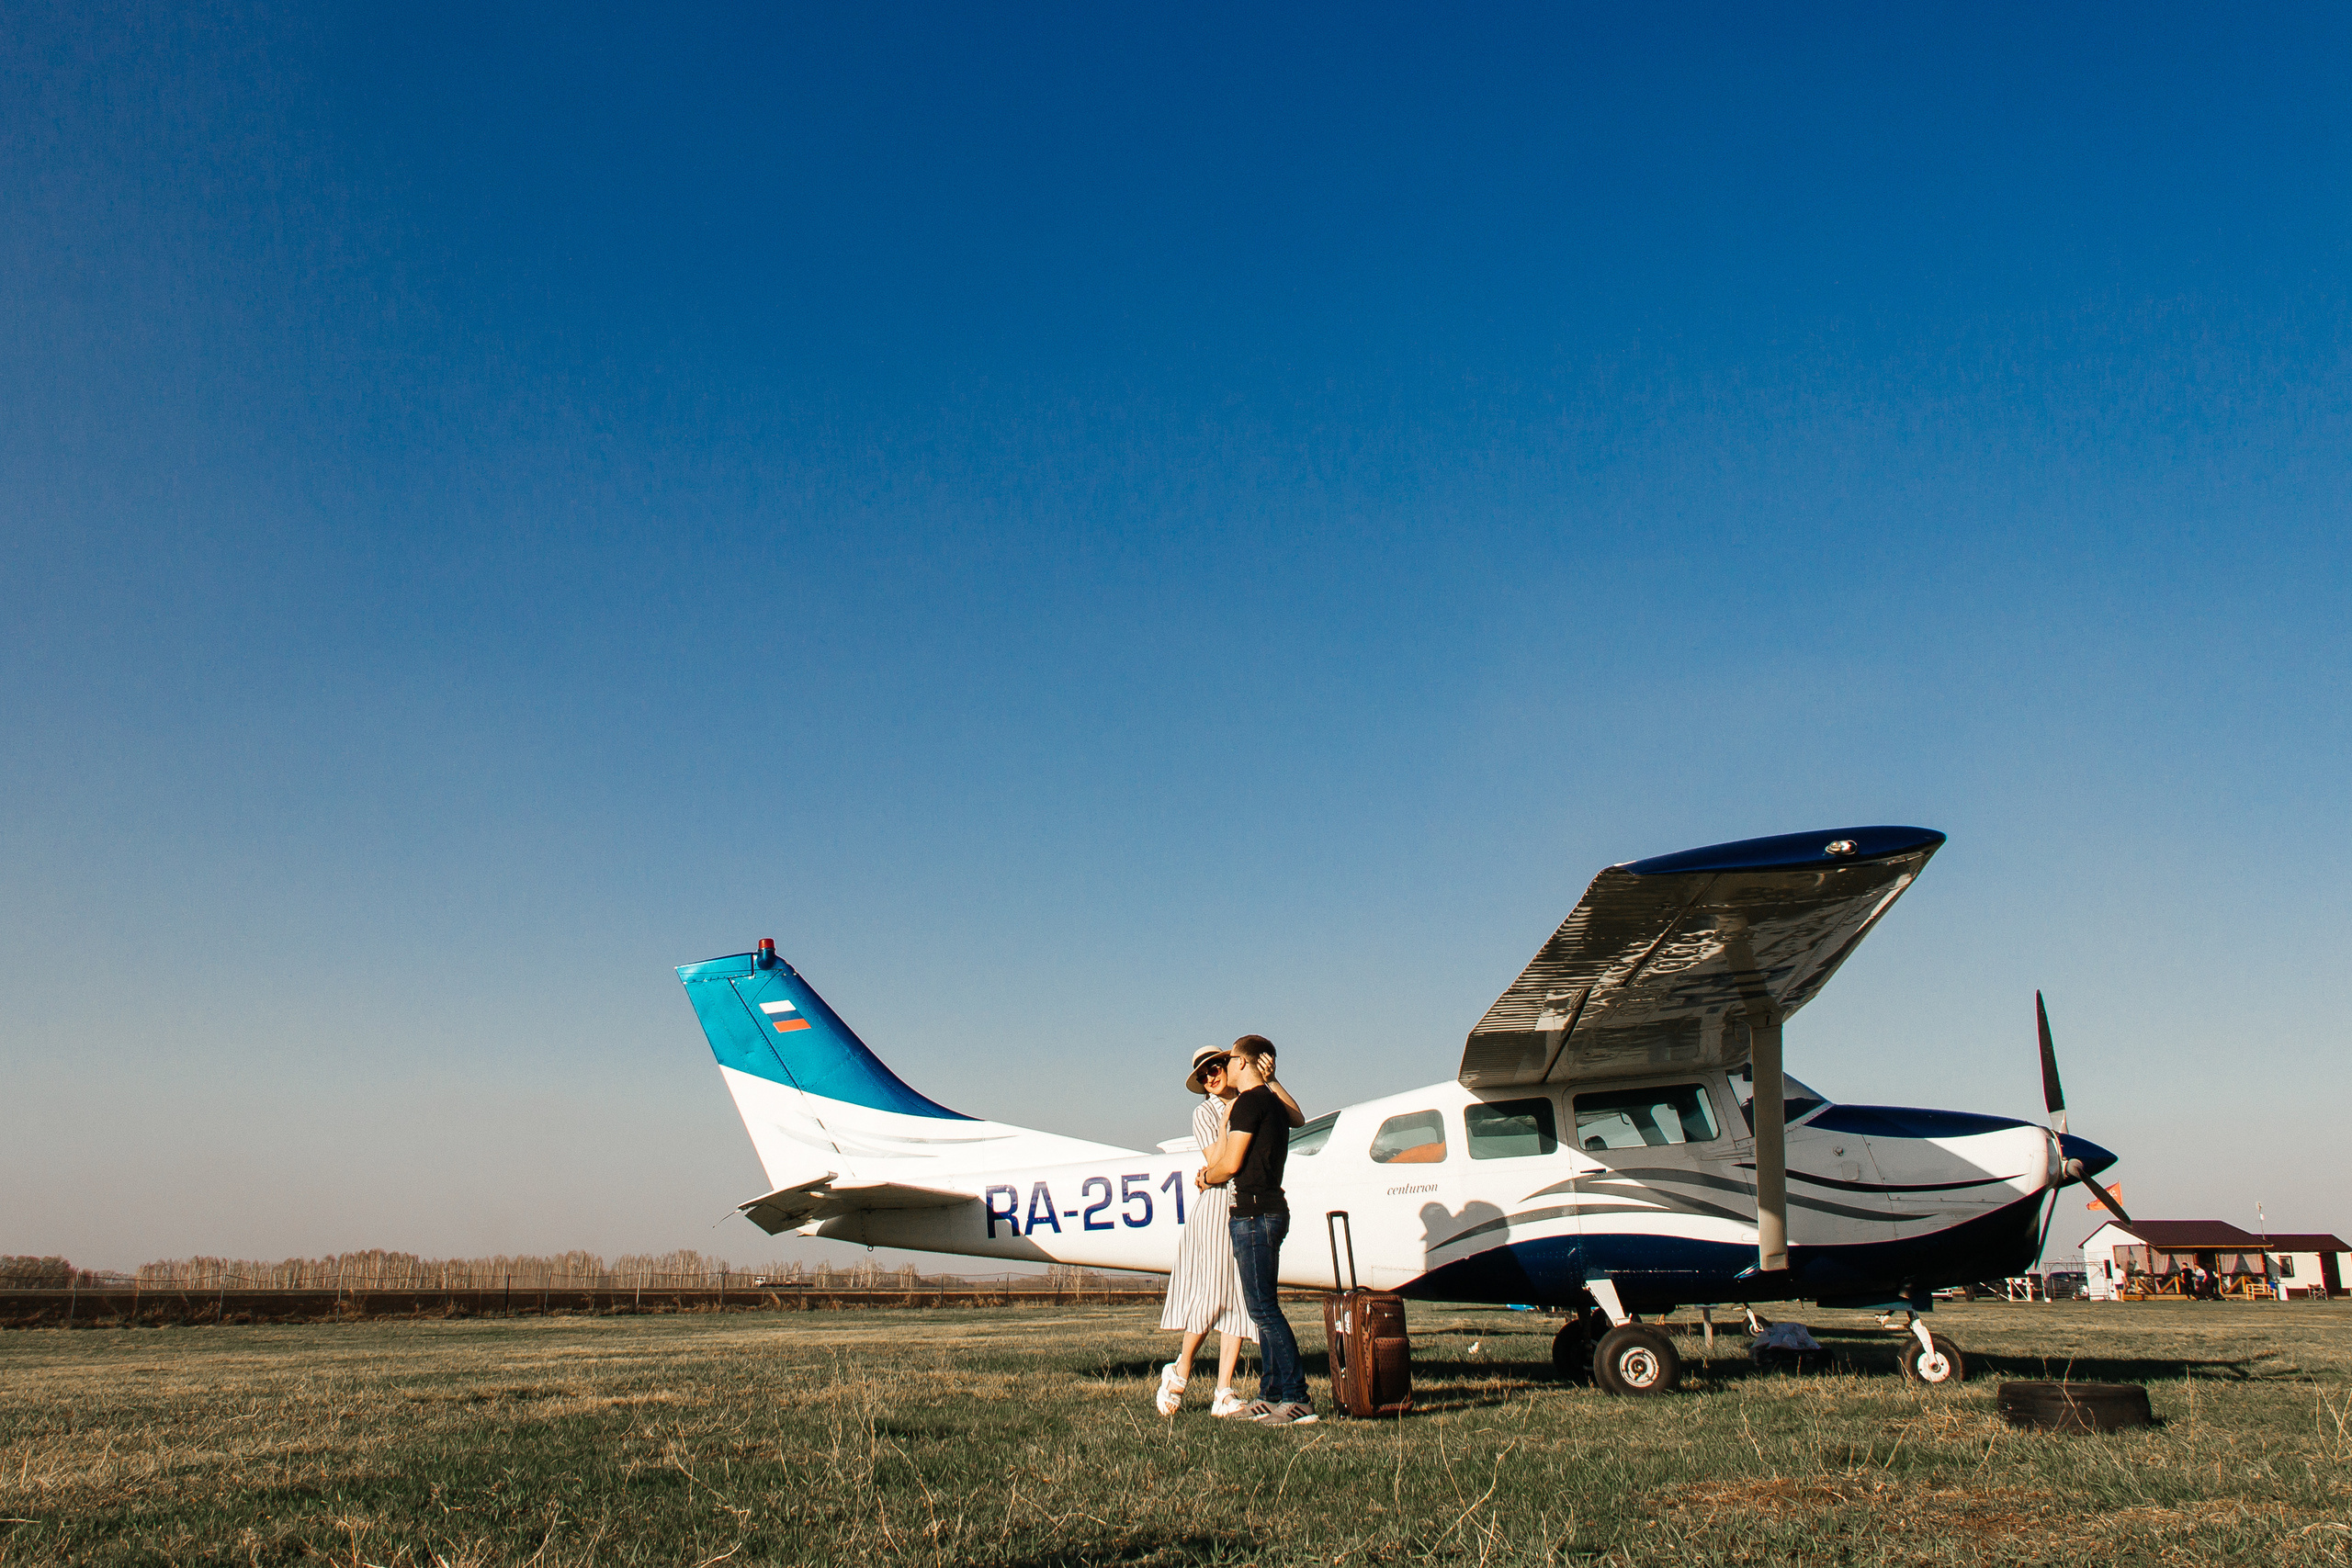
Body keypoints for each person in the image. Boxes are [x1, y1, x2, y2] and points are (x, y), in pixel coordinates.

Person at [1197, 1036, 1317, 1427]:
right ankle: (1269, 1395)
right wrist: (1274, 1080)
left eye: (1230, 1059)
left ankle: (1297, 1398)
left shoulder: (1249, 1102)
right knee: (1261, 1307)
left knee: (1264, 1310)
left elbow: (1229, 1164)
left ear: (1243, 1064)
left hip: (1252, 1215)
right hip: (1270, 1212)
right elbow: (1297, 1117)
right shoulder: (1270, 1102)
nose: (1225, 1065)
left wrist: (1205, 1177)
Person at [1154, 1046, 1257, 1416]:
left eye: (1215, 1068)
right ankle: (1179, 1371)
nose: (1210, 1077)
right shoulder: (1204, 1113)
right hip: (1215, 1207)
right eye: (1202, 1075)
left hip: (1246, 1204)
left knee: (1242, 1300)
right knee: (1212, 1295)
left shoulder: (1252, 1099)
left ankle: (1224, 1392)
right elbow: (1217, 1163)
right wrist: (1230, 1115)